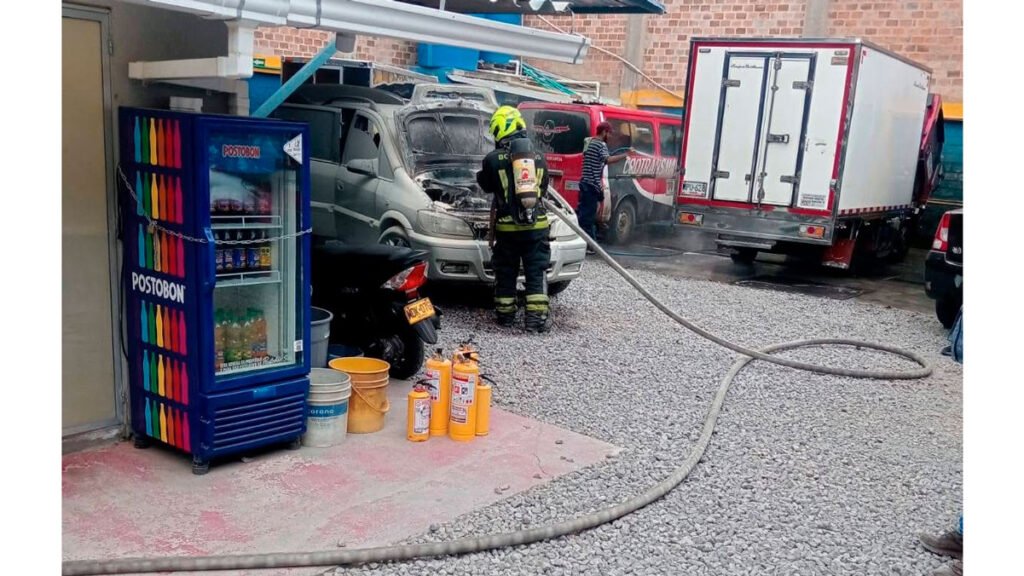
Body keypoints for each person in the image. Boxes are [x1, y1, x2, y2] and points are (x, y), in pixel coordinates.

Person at [477, 106, 553, 333]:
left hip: (507, 228)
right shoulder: (539, 157)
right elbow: (544, 187)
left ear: (501, 128)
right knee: (536, 270)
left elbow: (487, 185)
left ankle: (506, 316)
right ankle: (535, 320)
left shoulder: (492, 159)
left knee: (506, 270)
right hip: (536, 226)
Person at [578, 121, 631, 253]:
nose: (610, 136)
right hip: (592, 186)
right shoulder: (601, 145)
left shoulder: (588, 142)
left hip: (584, 184)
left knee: (588, 216)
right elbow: (607, 160)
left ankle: (591, 243)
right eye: (609, 133)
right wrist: (625, 155)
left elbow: (589, 158)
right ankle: (590, 246)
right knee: (587, 219)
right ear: (604, 132)